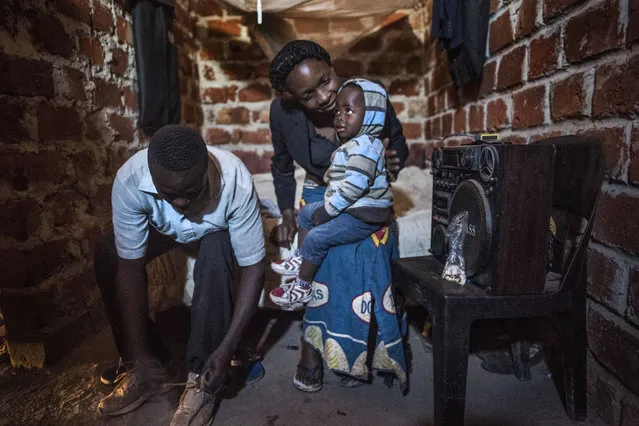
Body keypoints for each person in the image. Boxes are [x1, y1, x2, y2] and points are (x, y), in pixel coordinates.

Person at [93, 125, 265, 425]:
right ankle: (148, 365)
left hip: (215, 232)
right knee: (108, 252)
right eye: (170, 195)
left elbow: (254, 268)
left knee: (215, 249)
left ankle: (202, 376)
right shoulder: (130, 180)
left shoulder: (236, 180)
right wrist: (139, 350)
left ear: (205, 170)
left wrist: (226, 349)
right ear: (153, 177)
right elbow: (129, 268)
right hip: (166, 231)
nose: (182, 203)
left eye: (191, 191)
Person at [267, 40, 409, 392]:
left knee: (359, 254)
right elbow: (282, 167)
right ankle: (311, 345)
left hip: (366, 196)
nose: (324, 97)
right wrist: (287, 212)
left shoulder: (365, 95)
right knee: (312, 245)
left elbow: (398, 145)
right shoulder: (281, 114)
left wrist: (393, 161)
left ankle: (355, 350)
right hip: (320, 189)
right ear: (291, 99)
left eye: (326, 80)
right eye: (308, 95)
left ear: (332, 66)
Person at [269, 78, 394, 309]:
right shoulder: (355, 143)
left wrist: (328, 211)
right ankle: (300, 257)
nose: (339, 116)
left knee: (318, 237)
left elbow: (352, 189)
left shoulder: (365, 148)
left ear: (370, 116)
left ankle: (302, 287)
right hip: (354, 205)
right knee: (305, 213)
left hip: (366, 213)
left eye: (348, 111)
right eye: (338, 110)